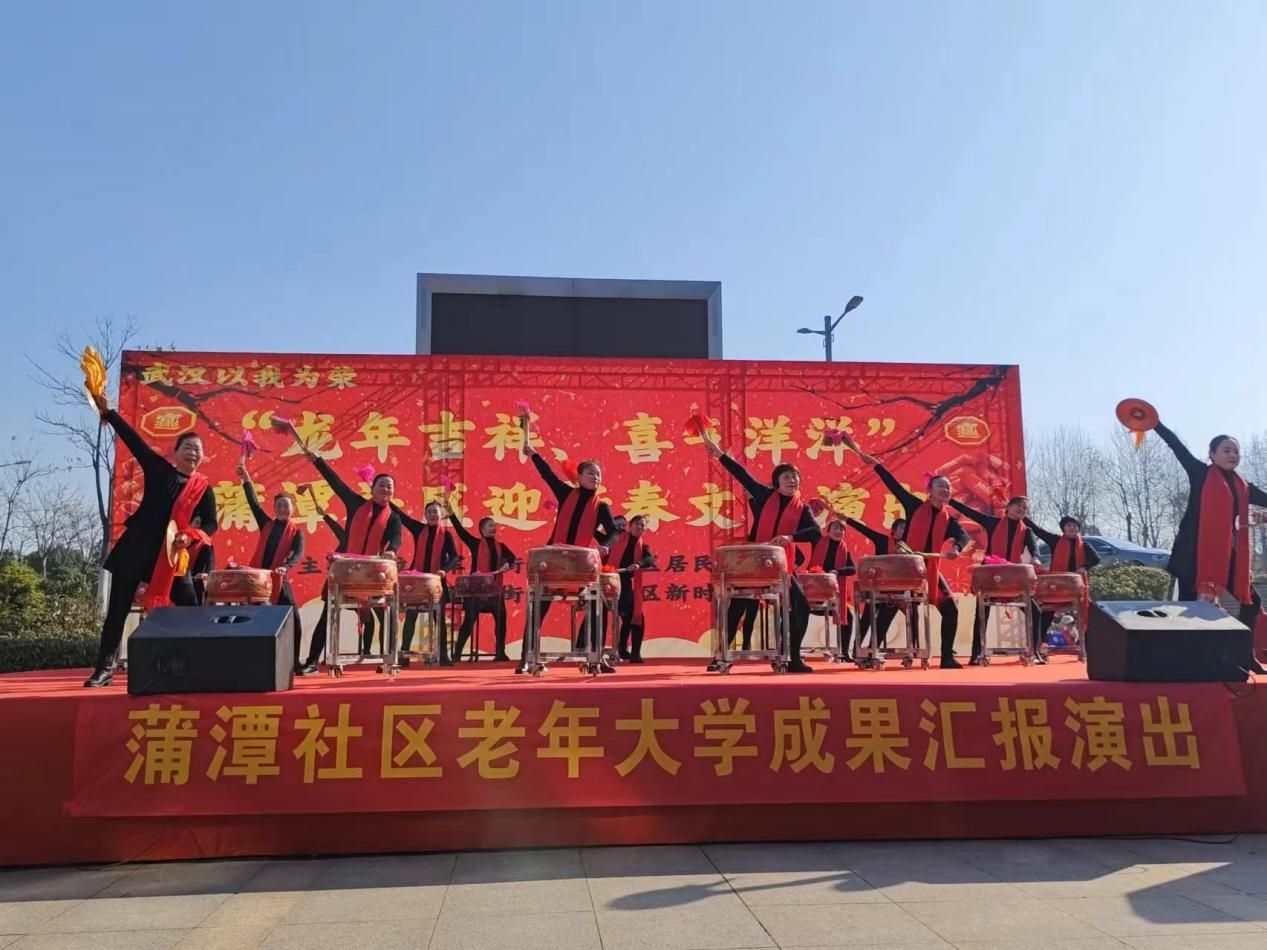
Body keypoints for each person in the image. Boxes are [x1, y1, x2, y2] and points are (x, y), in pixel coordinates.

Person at [84, 392, 217, 687]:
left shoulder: (204, 489)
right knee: (117, 610)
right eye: (188, 447)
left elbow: (211, 524)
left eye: (198, 449)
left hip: (171, 555)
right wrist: (110, 413)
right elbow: (134, 441)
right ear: (176, 452)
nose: (193, 453)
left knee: (191, 610)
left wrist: (190, 536)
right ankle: (104, 669)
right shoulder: (159, 470)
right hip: (137, 547)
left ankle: (197, 666)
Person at [700, 432, 822, 673]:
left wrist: (791, 537)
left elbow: (816, 532)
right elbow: (742, 475)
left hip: (781, 566)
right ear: (776, 482)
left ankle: (793, 658)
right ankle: (720, 656)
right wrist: (720, 454)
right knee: (737, 607)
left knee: (801, 607)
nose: (792, 480)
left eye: (795, 477)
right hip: (754, 563)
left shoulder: (802, 508)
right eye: (786, 477)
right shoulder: (766, 495)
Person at [1155, 419, 1267, 673]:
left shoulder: (1244, 486)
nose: (1232, 455)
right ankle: (1181, 660)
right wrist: (1155, 424)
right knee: (1186, 605)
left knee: (1252, 602)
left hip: (1225, 554)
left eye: (1236, 451)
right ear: (1212, 454)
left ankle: (1244, 656)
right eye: (1226, 450)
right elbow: (1177, 447)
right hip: (1191, 553)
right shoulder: (1200, 473)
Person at [291, 433, 403, 673]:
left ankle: (387, 659)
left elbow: (396, 538)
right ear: (372, 488)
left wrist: (392, 551)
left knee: (385, 615)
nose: (386, 489)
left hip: (371, 576)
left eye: (390, 487)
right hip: (344, 571)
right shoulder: (356, 504)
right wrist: (316, 460)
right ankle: (312, 662)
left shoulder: (393, 517)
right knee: (328, 615)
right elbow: (336, 483)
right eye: (382, 485)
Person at [517, 412, 618, 669]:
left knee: (599, 605)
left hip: (580, 568)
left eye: (598, 475)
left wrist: (606, 544)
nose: (596, 477)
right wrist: (534, 454)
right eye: (591, 473)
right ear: (580, 476)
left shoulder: (602, 507)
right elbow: (548, 475)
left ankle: (594, 656)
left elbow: (615, 532)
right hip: (553, 563)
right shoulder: (565, 493)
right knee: (537, 608)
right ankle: (526, 658)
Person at [855, 446, 969, 669]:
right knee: (889, 607)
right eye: (940, 486)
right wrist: (876, 465)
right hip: (906, 569)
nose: (945, 489)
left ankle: (947, 657)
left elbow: (963, 536)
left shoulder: (949, 520)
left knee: (950, 609)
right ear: (929, 490)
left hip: (929, 571)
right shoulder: (914, 505)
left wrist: (956, 547)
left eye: (948, 487)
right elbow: (893, 485)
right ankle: (870, 653)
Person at [949, 495, 1042, 663]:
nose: (1021, 509)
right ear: (1009, 507)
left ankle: (1033, 652)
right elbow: (970, 513)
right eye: (1018, 505)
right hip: (991, 576)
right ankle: (976, 654)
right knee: (982, 613)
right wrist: (951, 501)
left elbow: (1034, 548)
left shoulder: (1026, 531)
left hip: (1012, 579)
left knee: (1035, 612)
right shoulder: (993, 523)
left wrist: (1036, 557)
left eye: (1024, 508)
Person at [238, 462, 306, 671]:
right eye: (279, 506)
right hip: (258, 581)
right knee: (251, 621)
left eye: (286, 506)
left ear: (292, 509)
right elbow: (253, 503)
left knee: (294, 620)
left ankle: (294, 662)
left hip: (278, 580)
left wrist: (286, 566)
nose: (283, 509)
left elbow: (297, 553)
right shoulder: (266, 524)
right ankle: (250, 661)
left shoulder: (296, 532)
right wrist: (246, 479)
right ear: (274, 508)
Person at [397, 500, 461, 665]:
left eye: (435, 512)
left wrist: (443, 570)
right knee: (411, 615)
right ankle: (404, 655)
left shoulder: (446, 534)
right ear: (425, 515)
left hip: (436, 582)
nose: (432, 514)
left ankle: (443, 656)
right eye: (429, 512)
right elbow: (402, 517)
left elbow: (454, 557)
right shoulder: (418, 529)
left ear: (441, 515)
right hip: (417, 581)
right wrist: (386, 500)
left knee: (438, 619)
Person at [448, 511, 517, 661]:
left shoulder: (501, 546)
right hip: (476, 592)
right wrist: (452, 514)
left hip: (494, 592)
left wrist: (507, 563)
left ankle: (500, 653)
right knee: (468, 622)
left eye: (494, 526)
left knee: (501, 619)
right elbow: (461, 532)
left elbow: (512, 558)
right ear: (482, 529)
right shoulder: (475, 543)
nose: (494, 528)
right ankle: (457, 654)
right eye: (490, 525)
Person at [1025, 515, 1100, 647]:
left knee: (1088, 615)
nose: (1072, 528)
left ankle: (1088, 649)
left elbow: (1096, 558)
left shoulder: (1084, 546)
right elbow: (1038, 531)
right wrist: (1023, 518)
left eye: (1075, 526)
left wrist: (1084, 567)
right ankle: (1036, 646)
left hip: (1075, 589)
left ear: (1078, 529)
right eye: (1069, 525)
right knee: (1046, 615)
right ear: (1063, 528)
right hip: (1056, 588)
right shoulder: (1055, 541)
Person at [845, 516, 908, 652]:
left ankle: (873, 650)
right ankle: (856, 649)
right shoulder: (883, 540)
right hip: (877, 587)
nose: (904, 531)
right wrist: (847, 520)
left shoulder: (907, 547)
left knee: (884, 622)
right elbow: (865, 530)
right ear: (894, 529)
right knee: (867, 619)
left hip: (896, 590)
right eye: (902, 527)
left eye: (906, 528)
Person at [604, 514, 658, 662]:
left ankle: (633, 653)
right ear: (630, 525)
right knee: (601, 614)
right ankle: (586, 648)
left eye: (642, 525)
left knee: (635, 616)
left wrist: (638, 564)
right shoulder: (617, 538)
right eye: (637, 523)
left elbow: (650, 559)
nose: (639, 527)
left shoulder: (643, 547)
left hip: (625, 583)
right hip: (608, 581)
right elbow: (602, 539)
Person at [805, 518, 857, 660]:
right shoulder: (818, 542)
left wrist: (837, 572)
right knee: (798, 610)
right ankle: (792, 649)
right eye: (835, 528)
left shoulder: (845, 550)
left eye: (841, 529)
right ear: (828, 531)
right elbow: (811, 529)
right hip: (814, 592)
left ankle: (844, 652)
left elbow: (853, 569)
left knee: (849, 616)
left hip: (833, 596)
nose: (838, 531)